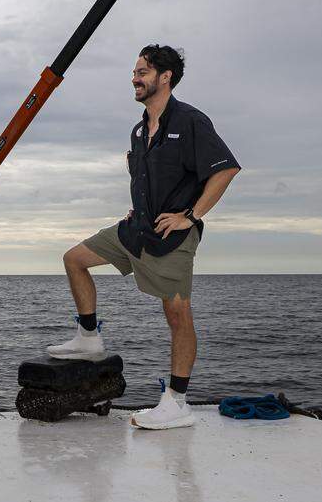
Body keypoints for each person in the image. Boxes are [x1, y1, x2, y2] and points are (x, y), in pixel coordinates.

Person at [46, 44, 240, 430]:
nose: (135, 79)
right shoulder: (139, 128)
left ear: (165, 77)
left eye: (143, 72)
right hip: (135, 228)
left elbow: (225, 170)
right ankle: (89, 337)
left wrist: (191, 216)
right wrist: (137, 206)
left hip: (171, 236)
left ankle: (177, 402)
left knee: (177, 314)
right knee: (75, 258)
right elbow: (143, 176)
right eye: (135, 73)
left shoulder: (190, 121)